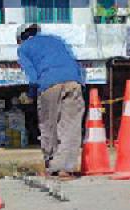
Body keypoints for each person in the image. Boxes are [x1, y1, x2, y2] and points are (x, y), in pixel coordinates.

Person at [17, 24, 85, 180]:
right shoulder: (57, 40)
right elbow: (74, 62)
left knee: (49, 126)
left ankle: (50, 165)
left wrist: (31, 95)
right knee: (71, 126)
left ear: (20, 39)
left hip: (48, 85)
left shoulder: (24, 48)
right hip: (74, 82)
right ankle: (65, 169)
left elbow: (33, 77)